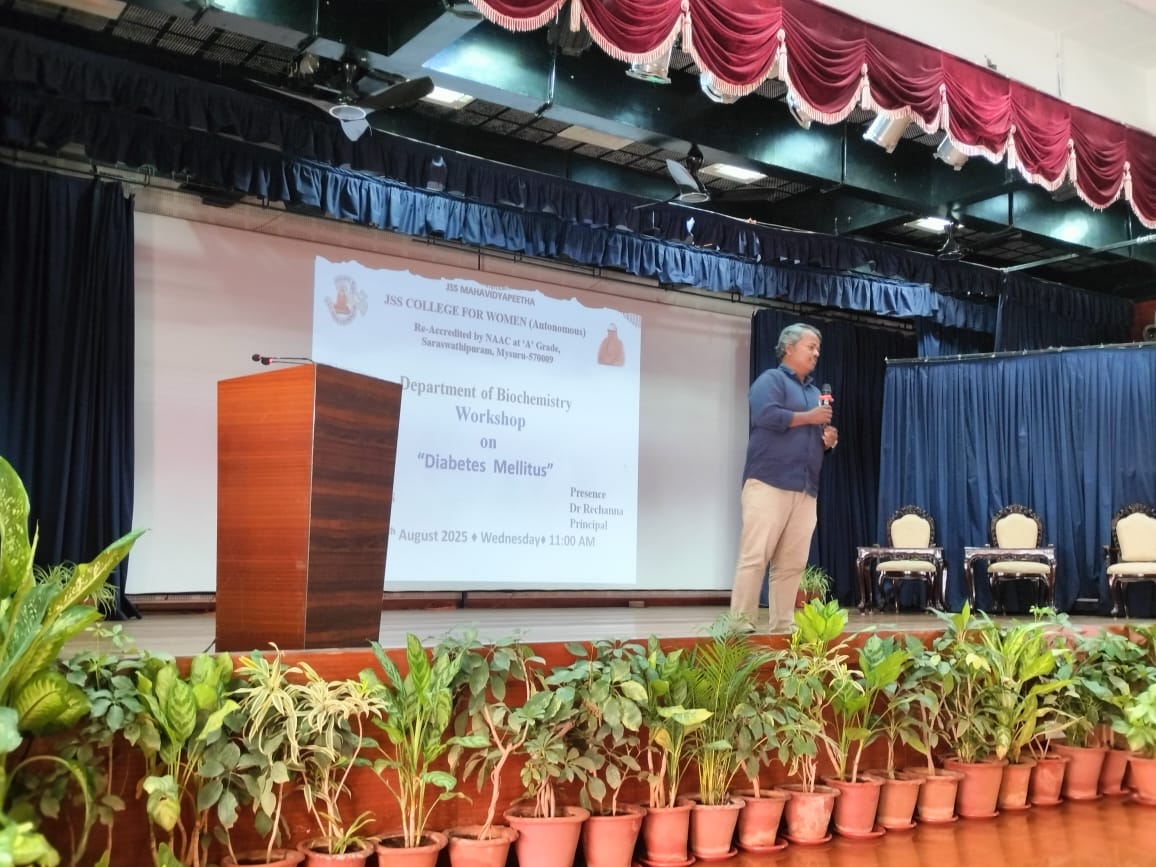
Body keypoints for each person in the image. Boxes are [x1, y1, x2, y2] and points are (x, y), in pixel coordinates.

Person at [729, 323, 838, 632]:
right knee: (755, 557)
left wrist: (826, 441)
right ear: (788, 348)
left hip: (805, 489)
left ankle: (783, 625)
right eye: (810, 346)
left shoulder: (816, 393)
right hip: (768, 483)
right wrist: (809, 418)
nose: (816, 352)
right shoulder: (771, 380)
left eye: (818, 348)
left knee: (791, 564)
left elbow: (809, 437)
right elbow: (765, 415)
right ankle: (740, 625)